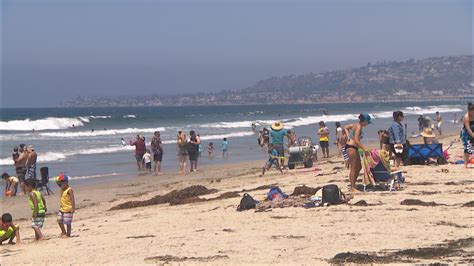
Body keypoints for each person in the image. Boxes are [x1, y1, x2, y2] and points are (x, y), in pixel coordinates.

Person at [344, 114, 371, 192]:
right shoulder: (358, 126)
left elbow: (345, 127)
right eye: (368, 122)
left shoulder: (355, 125)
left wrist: (348, 135)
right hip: (351, 148)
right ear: (364, 121)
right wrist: (364, 149)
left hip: (353, 147)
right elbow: (356, 140)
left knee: (358, 166)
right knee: (353, 168)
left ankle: (353, 184)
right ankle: (352, 187)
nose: (368, 124)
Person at [55, 174, 75, 238]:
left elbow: (72, 199)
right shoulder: (62, 190)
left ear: (66, 182)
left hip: (68, 209)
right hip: (62, 208)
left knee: (67, 222)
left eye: (61, 184)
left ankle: (68, 234)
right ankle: (63, 231)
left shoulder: (69, 190)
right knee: (59, 220)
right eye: (59, 185)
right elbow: (62, 198)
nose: (60, 186)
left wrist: (73, 207)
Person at [460, 103, 474, 168]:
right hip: (466, 134)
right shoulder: (466, 116)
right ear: (469, 111)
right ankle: (465, 164)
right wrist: (472, 135)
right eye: (472, 111)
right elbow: (468, 128)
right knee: (467, 148)